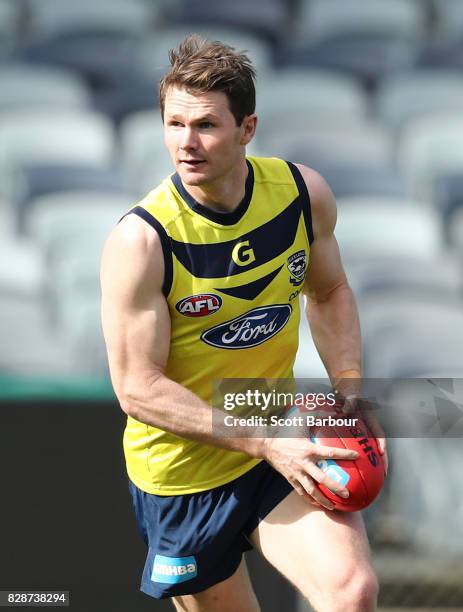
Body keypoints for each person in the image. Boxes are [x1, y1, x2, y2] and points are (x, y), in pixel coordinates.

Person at [101, 34, 387, 612]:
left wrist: (349, 392)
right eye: (174, 124)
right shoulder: (142, 240)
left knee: (352, 593)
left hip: (276, 426)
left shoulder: (302, 195)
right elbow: (137, 389)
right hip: (183, 470)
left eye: (205, 124)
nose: (186, 143)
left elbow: (329, 291)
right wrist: (261, 441)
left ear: (247, 128)